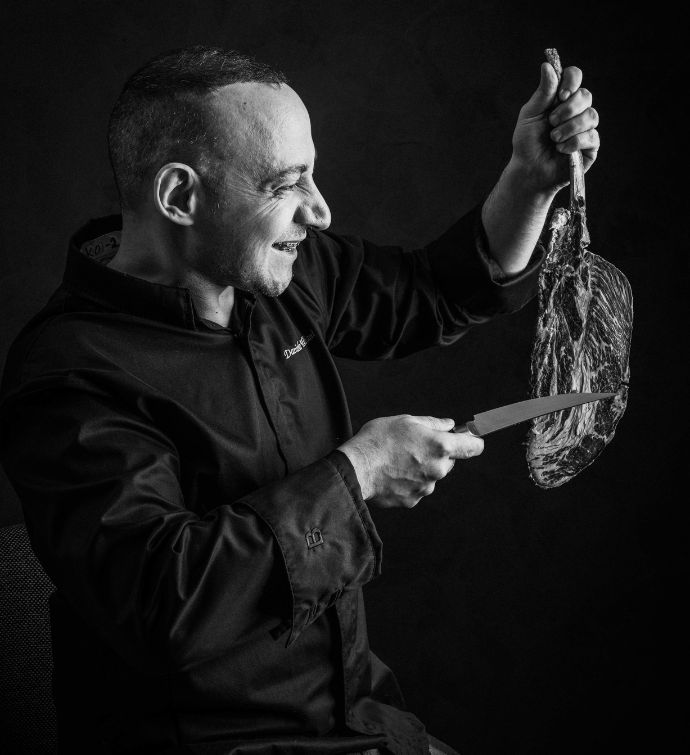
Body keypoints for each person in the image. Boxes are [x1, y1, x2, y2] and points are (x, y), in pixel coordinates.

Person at [0, 45, 599, 754]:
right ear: (179, 197)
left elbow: (432, 292)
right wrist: (360, 474)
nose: (318, 211)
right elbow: (166, 600)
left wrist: (531, 180)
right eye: (287, 184)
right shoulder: (70, 374)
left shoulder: (276, 270)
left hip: (365, 725)